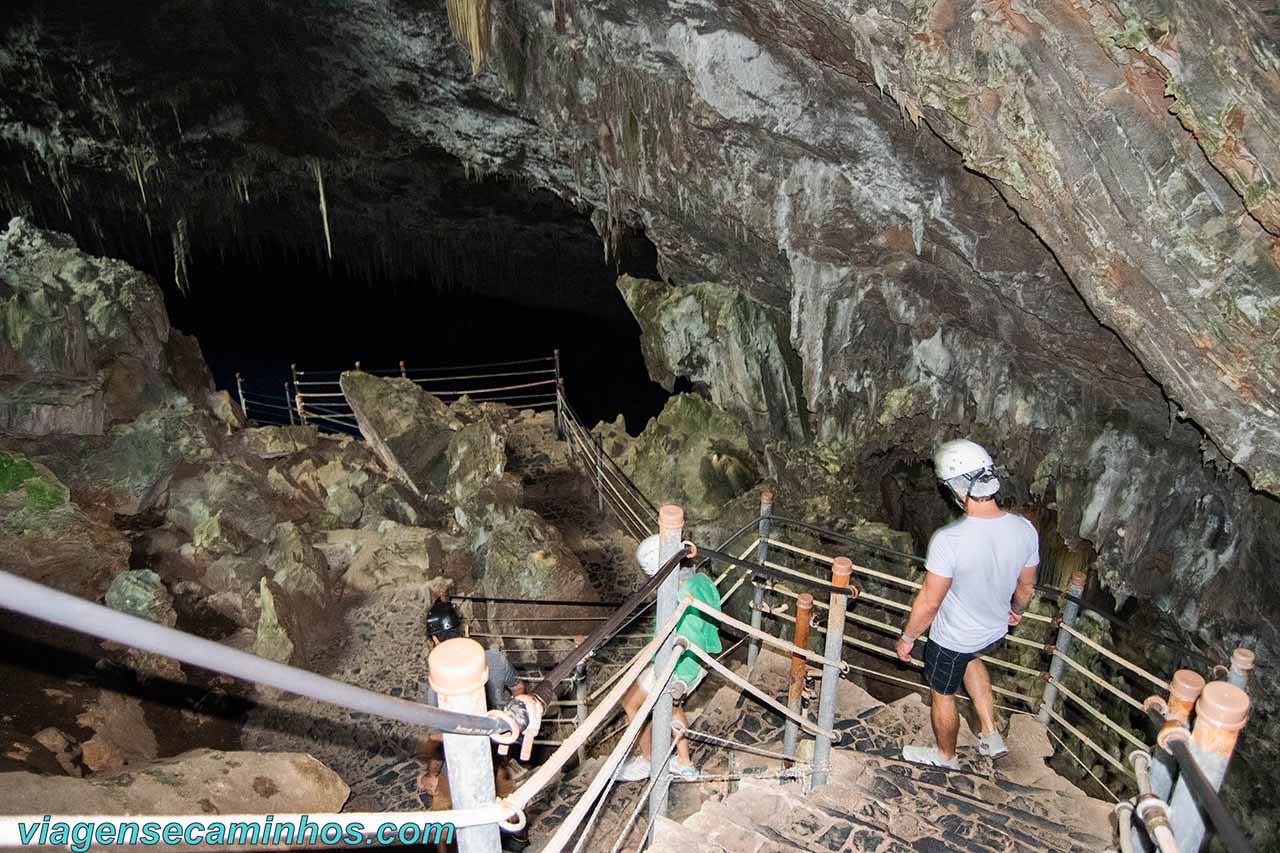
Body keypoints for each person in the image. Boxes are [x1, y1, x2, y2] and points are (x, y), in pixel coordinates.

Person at [895, 439, 1038, 769]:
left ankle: (946, 756)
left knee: (942, 692)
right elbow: (1026, 586)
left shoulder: (950, 540)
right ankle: (989, 732)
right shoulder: (1024, 530)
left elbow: (930, 602)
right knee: (971, 658)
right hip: (994, 628)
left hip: (952, 637)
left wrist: (908, 638)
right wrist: (1016, 610)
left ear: (956, 490)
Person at [419, 597, 526, 844]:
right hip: (498, 751)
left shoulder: (439, 682)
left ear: (435, 641)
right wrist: (515, 726)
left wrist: (432, 774)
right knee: (509, 811)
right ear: (465, 630)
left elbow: (437, 737)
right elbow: (519, 689)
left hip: (462, 758)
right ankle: (518, 845)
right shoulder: (496, 660)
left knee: (444, 822)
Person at [617, 536, 723, 782]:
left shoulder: (679, 599)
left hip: (678, 663)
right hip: (697, 659)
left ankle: (649, 762)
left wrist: (676, 674)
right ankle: (685, 764)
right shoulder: (700, 581)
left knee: (633, 705)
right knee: (675, 707)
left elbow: (681, 634)